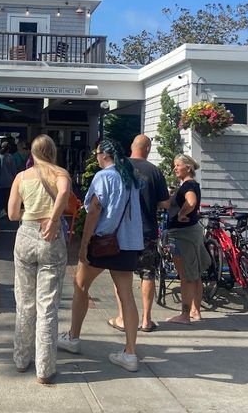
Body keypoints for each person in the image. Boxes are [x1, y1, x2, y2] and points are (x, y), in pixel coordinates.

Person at [58, 139, 144, 372]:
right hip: (128, 243)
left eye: (96, 153)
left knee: (80, 286)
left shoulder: (104, 177)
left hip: (103, 241)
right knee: (126, 296)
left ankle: (73, 337)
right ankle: (130, 352)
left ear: (104, 155)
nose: (95, 158)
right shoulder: (131, 177)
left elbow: (94, 211)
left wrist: (84, 242)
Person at [7, 135, 70, 385]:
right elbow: (64, 193)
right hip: (50, 238)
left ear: (31, 154)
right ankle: (45, 368)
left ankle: (22, 359)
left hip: (25, 234)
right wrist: (53, 219)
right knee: (47, 305)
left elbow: (12, 214)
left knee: (24, 302)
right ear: (52, 151)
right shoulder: (59, 173)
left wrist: (30, 213)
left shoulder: (21, 178)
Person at [108, 135, 169, 333]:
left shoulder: (118, 168)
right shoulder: (154, 171)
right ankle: (146, 320)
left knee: (121, 273)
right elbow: (164, 203)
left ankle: (122, 317)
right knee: (148, 274)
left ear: (131, 147)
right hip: (147, 230)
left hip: (122, 231)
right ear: (148, 148)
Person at [162, 154, 208, 325]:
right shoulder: (191, 184)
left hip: (182, 235)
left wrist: (181, 213)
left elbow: (191, 201)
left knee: (186, 276)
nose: (175, 168)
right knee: (194, 274)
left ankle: (184, 315)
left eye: (177, 165)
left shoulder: (188, 185)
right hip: (192, 232)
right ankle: (196, 311)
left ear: (188, 167)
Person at [0, 139, 17, 218]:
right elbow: (14, 170)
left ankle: (1, 211)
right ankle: (8, 211)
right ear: (9, 149)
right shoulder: (11, 157)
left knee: (0, 198)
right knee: (8, 197)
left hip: (0, 182)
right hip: (9, 182)